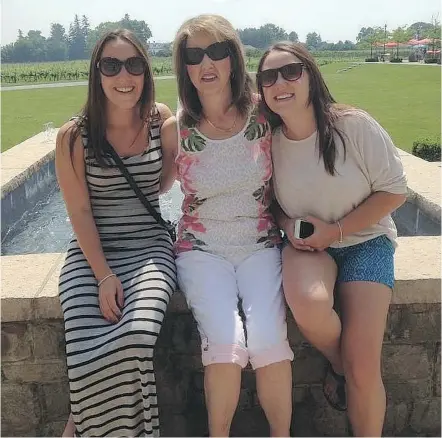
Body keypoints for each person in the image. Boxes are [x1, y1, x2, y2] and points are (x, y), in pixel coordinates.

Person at [256, 42, 407, 437]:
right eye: (268, 77)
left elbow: (395, 192)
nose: (280, 83)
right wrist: (288, 224)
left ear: (310, 74)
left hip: (366, 241)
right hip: (307, 245)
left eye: (290, 71)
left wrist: (337, 231)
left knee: (364, 368)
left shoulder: (352, 126)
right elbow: (268, 203)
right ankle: (338, 363)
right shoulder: (269, 142)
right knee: (309, 304)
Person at [160, 14, 294, 437]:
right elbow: (151, 183)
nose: (207, 62)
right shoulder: (174, 130)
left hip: (260, 243)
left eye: (217, 50)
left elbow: (312, 130)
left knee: (270, 342)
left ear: (233, 58)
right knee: (224, 343)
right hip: (201, 251)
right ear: (184, 66)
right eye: (194, 54)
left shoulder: (263, 115)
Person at [56, 29, 177, 437]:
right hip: (93, 252)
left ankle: (81, 425)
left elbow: (162, 184)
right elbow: (80, 211)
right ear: (97, 72)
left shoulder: (161, 121)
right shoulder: (73, 136)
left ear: (145, 70)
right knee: (86, 348)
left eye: (134, 64)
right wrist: (104, 274)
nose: (123, 75)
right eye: (111, 65)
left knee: (137, 335)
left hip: (148, 247)